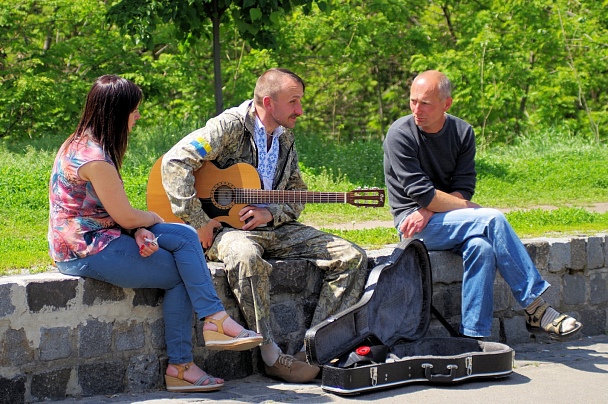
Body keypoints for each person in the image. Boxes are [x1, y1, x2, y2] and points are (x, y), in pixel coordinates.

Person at [48, 75, 263, 393]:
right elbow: (123, 215)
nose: (137, 116)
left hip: (104, 234)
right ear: (117, 112)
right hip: (85, 249)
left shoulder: (82, 142)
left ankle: (213, 322)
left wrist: (139, 232)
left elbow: (110, 212)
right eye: (134, 110)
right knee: (182, 272)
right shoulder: (94, 158)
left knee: (187, 236)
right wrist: (147, 220)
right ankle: (184, 363)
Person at [161, 68, 368, 383]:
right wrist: (199, 220)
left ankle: (314, 348)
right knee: (244, 254)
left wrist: (271, 214)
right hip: (224, 230)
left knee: (352, 256)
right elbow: (175, 162)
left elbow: (297, 195)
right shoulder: (229, 126)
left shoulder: (286, 137)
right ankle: (271, 353)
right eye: (294, 101)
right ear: (269, 102)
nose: (300, 110)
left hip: (272, 229)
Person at [383, 70, 583, 340]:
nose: (417, 109)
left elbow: (463, 186)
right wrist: (434, 204)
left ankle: (474, 337)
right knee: (491, 219)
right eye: (413, 101)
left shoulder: (462, 132)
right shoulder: (399, 134)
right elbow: (421, 193)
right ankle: (536, 308)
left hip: (437, 217)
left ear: (446, 104)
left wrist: (430, 207)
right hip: (412, 225)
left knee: (482, 247)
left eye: (425, 103)